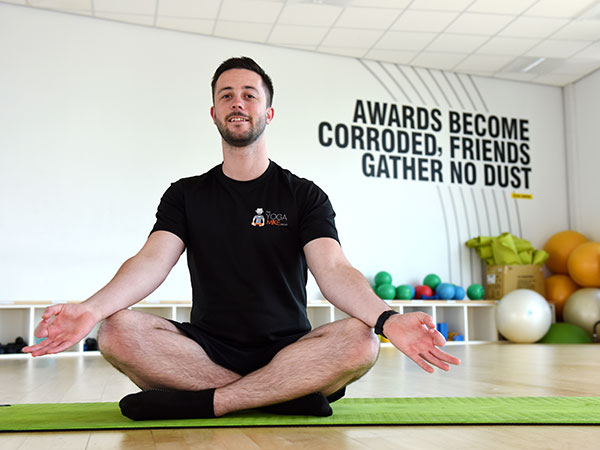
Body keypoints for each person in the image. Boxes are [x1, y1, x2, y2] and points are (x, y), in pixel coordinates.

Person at [23, 57, 460, 420]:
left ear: (268, 113)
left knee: (361, 342)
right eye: (226, 95)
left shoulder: (303, 195)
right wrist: (91, 308)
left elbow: (334, 270)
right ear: (213, 112)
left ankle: (210, 403)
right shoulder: (186, 194)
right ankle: (283, 397)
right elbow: (151, 261)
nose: (237, 102)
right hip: (206, 350)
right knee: (116, 331)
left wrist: (387, 319)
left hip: (291, 349)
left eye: (249, 94)